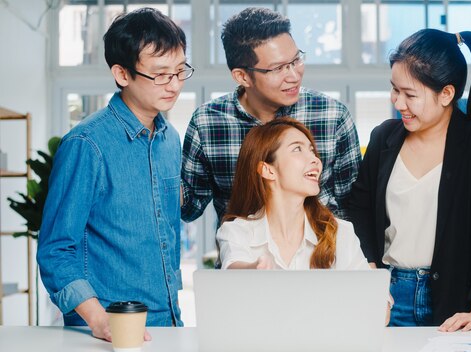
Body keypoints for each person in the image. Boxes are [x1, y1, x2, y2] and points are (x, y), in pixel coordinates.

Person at [37, 8, 192, 340]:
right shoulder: (86, 144)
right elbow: (56, 249)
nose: (175, 85)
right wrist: (98, 320)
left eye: (180, 71)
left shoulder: (169, 140)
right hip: (107, 328)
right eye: (162, 74)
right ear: (122, 74)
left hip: (167, 322)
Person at [348, 29, 471, 331]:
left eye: (410, 95)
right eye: (395, 90)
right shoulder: (384, 137)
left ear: (446, 94)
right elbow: (358, 209)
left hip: (453, 302)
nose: (399, 103)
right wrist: (369, 270)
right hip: (389, 297)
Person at [181, 7, 361, 225]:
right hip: (243, 256)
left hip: (322, 256)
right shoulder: (207, 122)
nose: (294, 76)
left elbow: (353, 208)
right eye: (278, 69)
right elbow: (189, 208)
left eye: (296, 61)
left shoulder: (332, 115)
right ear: (242, 76)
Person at [217, 118, 369, 272]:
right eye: (297, 149)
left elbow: (372, 291)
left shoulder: (341, 233)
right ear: (268, 170)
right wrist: (254, 269)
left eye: (311, 150)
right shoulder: (236, 232)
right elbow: (233, 267)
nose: (315, 159)